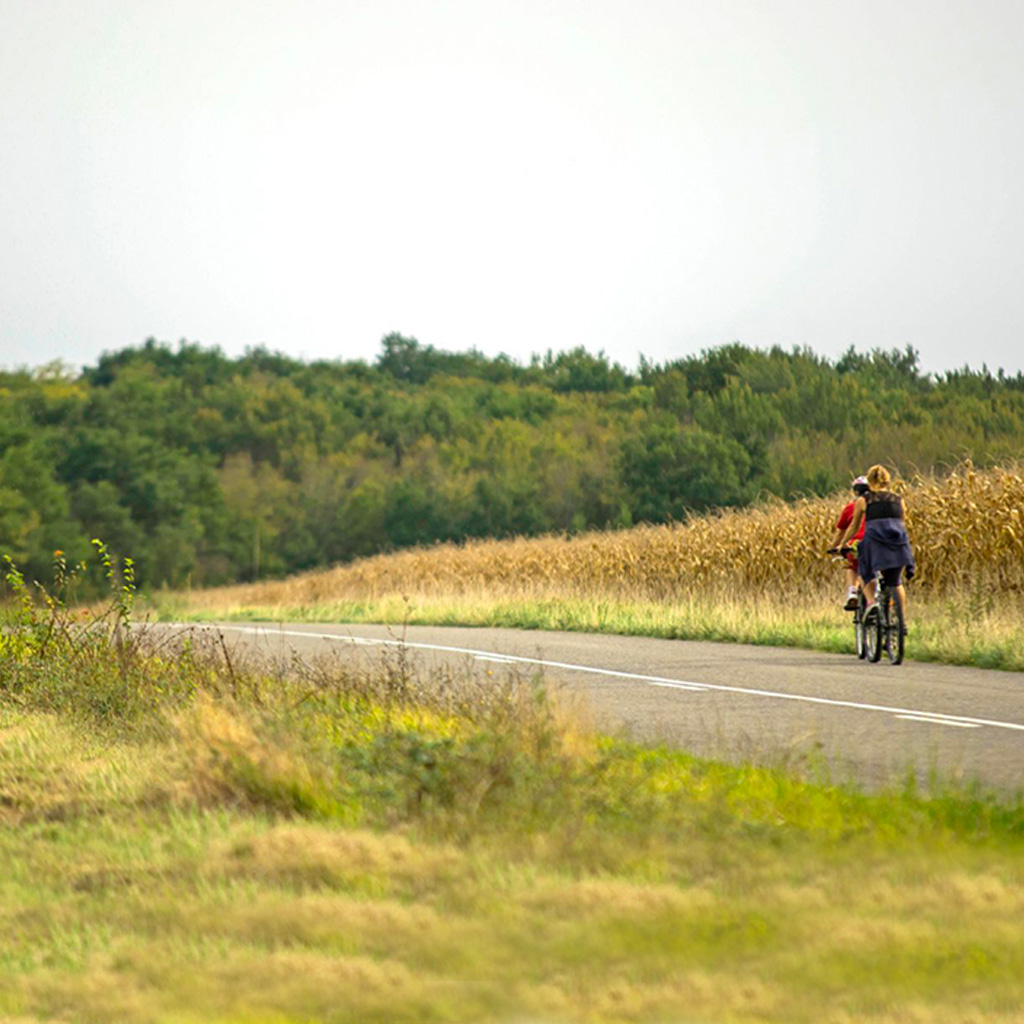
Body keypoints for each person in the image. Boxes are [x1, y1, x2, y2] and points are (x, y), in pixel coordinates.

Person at [836, 464, 915, 623]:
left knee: (865, 572)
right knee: (896, 582)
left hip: (875, 543)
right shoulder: (899, 500)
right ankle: (900, 621)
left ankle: (871, 602)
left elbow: (854, 527)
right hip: (898, 542)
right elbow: (903, 522)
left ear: (870, 481)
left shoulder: (864, 501)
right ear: (887, 481)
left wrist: (842, 545)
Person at [828, 476, 869, 609]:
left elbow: (841, 532)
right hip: (877, 542)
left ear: (855, 492)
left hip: (855, 543)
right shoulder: (878, 505)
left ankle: (852, 592)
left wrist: (834, 547)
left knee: (852, 567)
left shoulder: (850, 507)